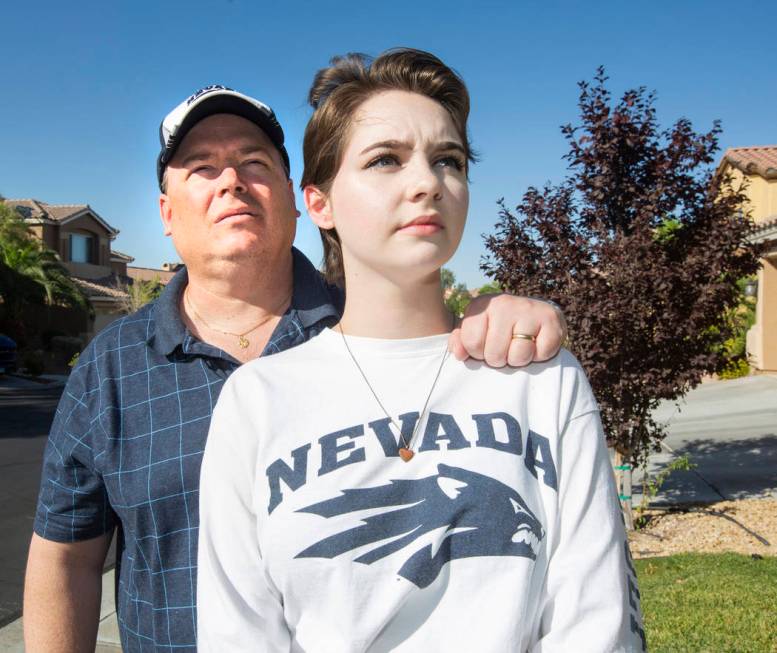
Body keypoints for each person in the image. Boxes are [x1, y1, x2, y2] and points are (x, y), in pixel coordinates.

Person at [22, 83, 568, 652]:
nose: (231, 181)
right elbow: (66, 562)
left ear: (294, 196)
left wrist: (505, 318)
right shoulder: (110, 367)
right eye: (202, 169)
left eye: (253, 163)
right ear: (166, 212)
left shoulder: (371, 328)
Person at [197, 49, 645, 652]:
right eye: (385, 160)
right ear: (319, 203)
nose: (427, 183)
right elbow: (238, 632)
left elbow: (596, 623)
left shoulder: (540, 375)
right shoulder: (257, 400)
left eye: (449, 161)